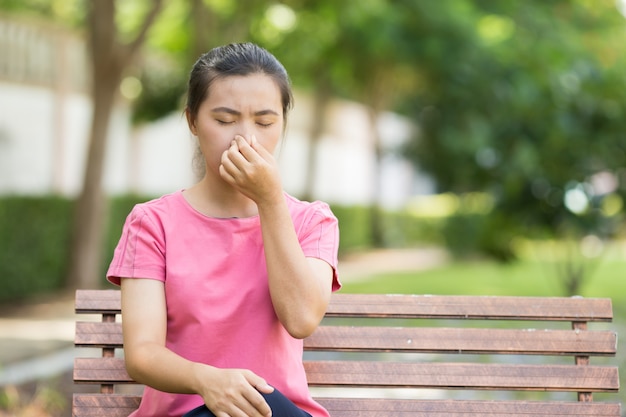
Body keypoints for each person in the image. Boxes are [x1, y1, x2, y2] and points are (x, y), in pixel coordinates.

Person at [106, 42, 340, 417]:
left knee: (265, 404)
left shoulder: (312, 221)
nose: (245, 139)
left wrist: (270, 202)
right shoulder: (152, 224)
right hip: (187, 414)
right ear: (193, 122)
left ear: (282, 124)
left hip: (277, 413)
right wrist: (208, 381)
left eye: (264, 122)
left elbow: (301, 319)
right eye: (225, 120)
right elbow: (142, 354)